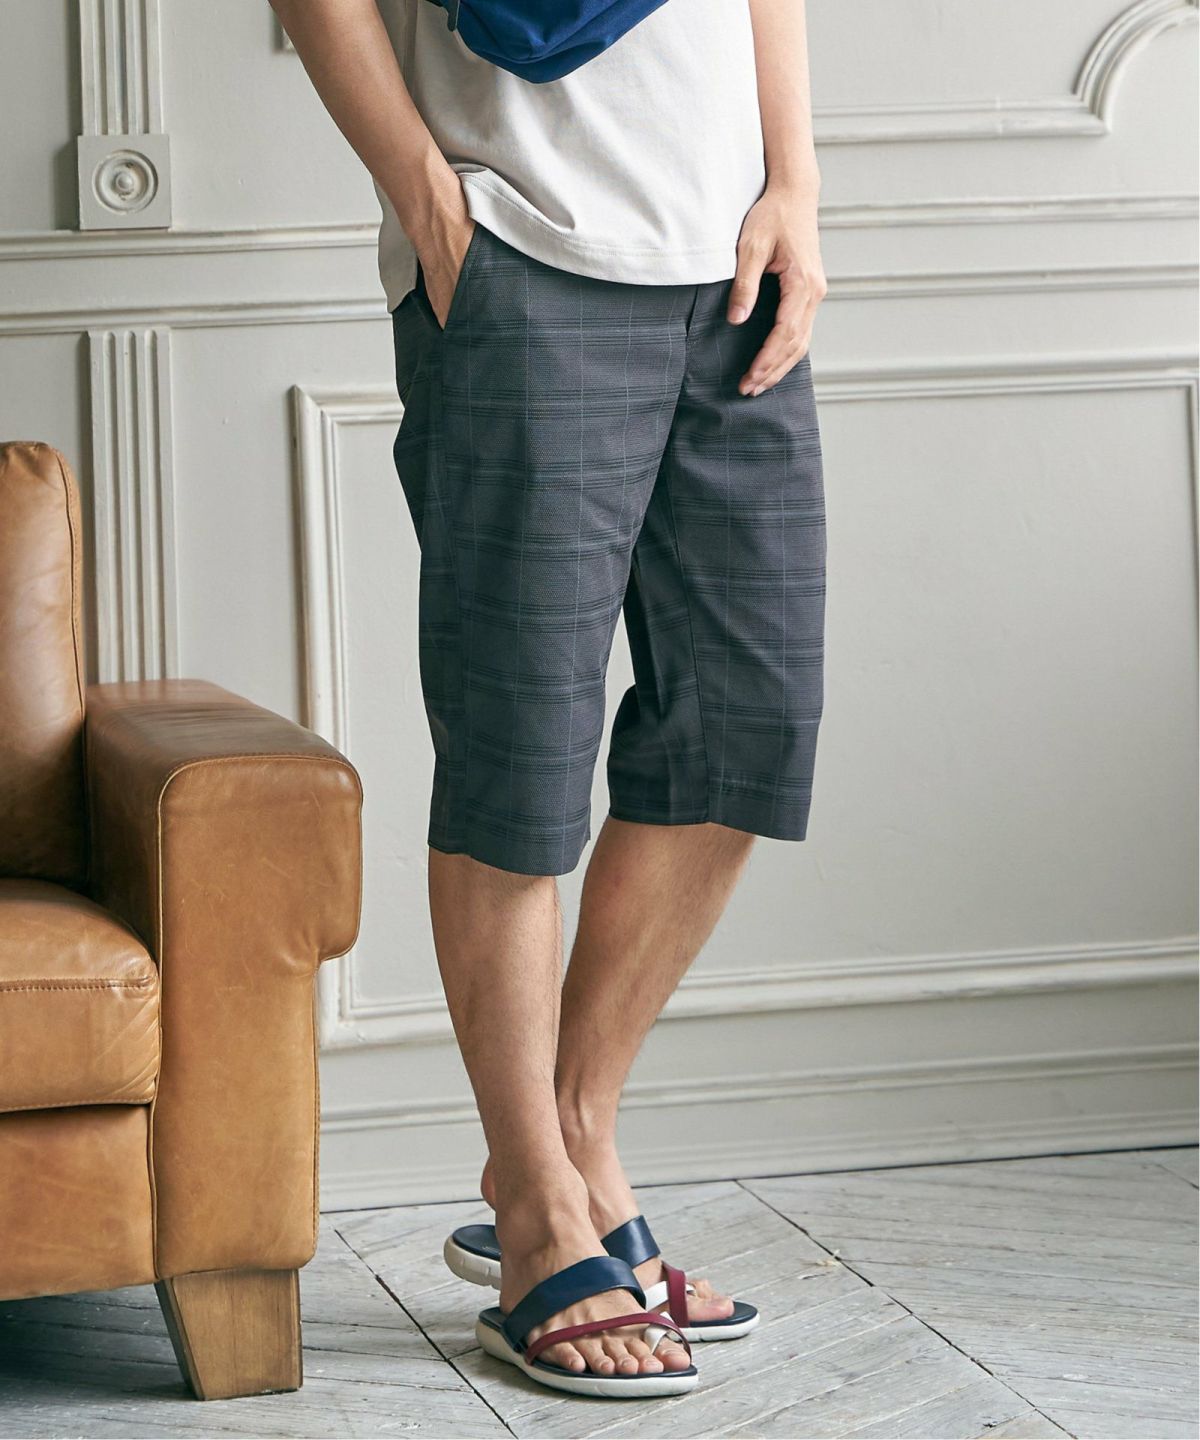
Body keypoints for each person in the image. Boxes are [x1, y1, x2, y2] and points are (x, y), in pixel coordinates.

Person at [271, 0, 826, 1399]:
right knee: (520, 756)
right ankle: (536, 1211)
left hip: (733, 264)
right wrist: (427, 201)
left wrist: (796, 186)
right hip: (522, 252)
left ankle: (579, 1139)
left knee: (743, 732)